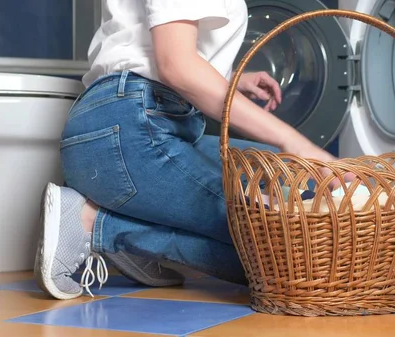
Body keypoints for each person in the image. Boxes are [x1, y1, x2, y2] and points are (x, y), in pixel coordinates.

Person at [35, 0, 338, 300]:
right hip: (130, 132)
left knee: (302, 183)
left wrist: (233, 80)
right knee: (288, 256)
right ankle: (98, 223)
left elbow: (158, 46)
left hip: (139, 126)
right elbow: (177, 66)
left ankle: (139, 221)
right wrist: (293, 141)